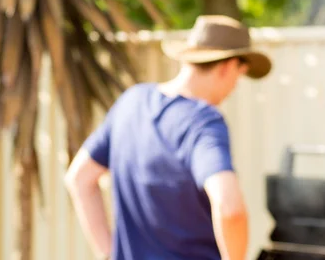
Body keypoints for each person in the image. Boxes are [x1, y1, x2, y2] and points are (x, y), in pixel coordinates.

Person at [65, 15, 272, 260]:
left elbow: (79, 178)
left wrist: (108, 253)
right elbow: (230, 208)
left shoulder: (131, 102)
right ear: (227, 67)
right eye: (240, 73)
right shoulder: (203, 121)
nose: (236, 86)